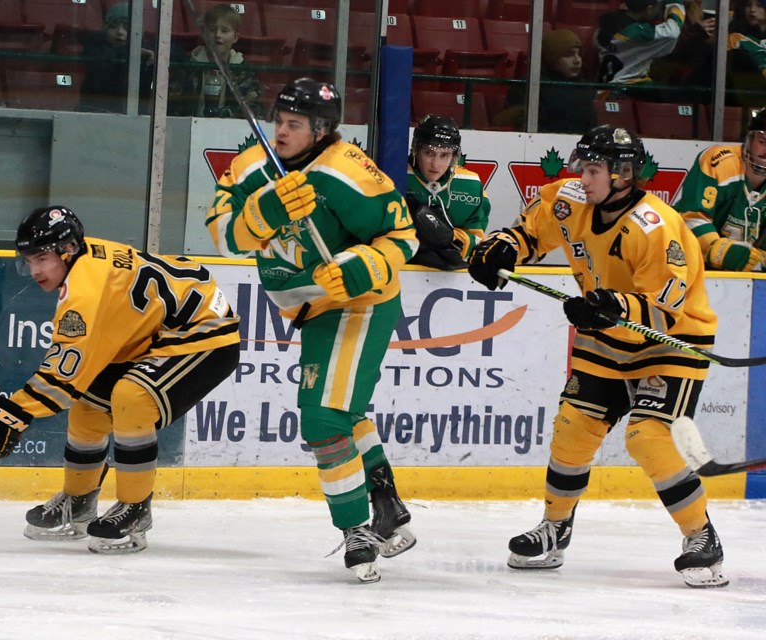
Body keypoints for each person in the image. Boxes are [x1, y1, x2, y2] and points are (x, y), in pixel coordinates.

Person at [467, 124, 728, 588]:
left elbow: (663, 311)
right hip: (605, 339)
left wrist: (610, 307)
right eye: (582, 167)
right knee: (573, 427)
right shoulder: (570, 199)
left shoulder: (657, 226)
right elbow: (532, 231)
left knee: (648, 437)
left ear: (624, 174)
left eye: (593, 169)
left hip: (670, 342)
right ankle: (555, 528)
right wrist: (503, 247)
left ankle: (701, 535)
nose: (582, 178)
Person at [205, 78, 418, 583]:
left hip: (359, 302)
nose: (280, 131)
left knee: (322, 419)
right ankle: (385, 500)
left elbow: (402, 237)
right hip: (310, 307)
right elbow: (222, 233)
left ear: (321, 130)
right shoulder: (253, 165)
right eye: (278, 120)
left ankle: (356, 529)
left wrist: (361, 265)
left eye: (293, 124)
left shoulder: (348, 171)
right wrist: (263, 211)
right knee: (342, 409)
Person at [0, 206, 240, 554]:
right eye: (28, 260)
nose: (34, 271)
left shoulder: (84, 289)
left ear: (67, 249)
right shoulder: (82, 261)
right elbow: (74, 378)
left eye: (42, 259)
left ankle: (135, 509)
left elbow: (62, 374)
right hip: (151, 336)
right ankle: (78, 502)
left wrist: (10, 415)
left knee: (132, 397)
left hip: (203, 334)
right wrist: (14, 413)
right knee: (88, 406)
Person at [674, 109, 766, 271]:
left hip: (742, 279)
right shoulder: (719, 161)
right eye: (763, 142)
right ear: (749, 139)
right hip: (688, 265)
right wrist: (715, 248)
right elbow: (691, 216)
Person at [405, 115, 490, 270]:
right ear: (416, 149)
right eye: (429, 153)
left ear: (454, 156)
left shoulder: (470, 185)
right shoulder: (395, 175)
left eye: (444, 155)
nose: (436, 164)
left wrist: (451, 239)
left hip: (446, 278)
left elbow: (477, 239)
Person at [494, 29, 597, 134]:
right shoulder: (528, 86)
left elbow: (591, 126)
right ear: (551, 57)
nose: (577, 60)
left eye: (579, 54)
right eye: (568, 55)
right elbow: (522, 128)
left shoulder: (582, 87)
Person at [596, 0, 699, 89]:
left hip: (604, 89)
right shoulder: (639, 34)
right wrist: (675, 3)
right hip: (627, 89)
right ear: (649, 9)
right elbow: (672, 32)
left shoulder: (603, 27)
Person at [183, 4, 262, 118]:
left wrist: (226, 114)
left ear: (235, 37)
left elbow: (255, 108)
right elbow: (175, 106)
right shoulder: (188, 66)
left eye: (224, 31)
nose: (217, 35)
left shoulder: (243, 71)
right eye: (211, 30)